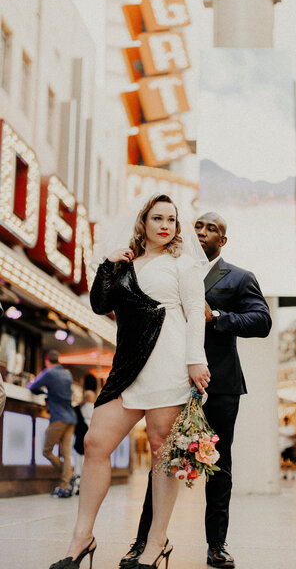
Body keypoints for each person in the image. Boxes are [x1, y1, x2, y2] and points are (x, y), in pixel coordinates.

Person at [48, 194, 210, 569]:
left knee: (161, 451)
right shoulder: (124, 261)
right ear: (144, 221)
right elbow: (99, 302)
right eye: (157, 218)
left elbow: (194, 316)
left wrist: (195, 360)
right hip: (126, 367)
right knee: (94, 443)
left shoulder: (183, 264)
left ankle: (157, 543)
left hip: (168, 362)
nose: (165, 225)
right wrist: (107, 264)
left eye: (171, 218)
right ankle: (81, 538)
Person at [122, 212, 272, 569]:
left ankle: (217, 545)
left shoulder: (239, 277)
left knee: (219, 466)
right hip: (171, 380)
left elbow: (262, 320)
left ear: (223, 240)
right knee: (161, 460)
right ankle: (145, 541)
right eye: (198, 226)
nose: (202, 232)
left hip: (220, 385)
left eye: (212, 229)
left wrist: (218, 317)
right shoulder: (170, 268)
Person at [27, 349, 77, 497]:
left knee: (47, 450)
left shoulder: (49, 373)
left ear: (47, 360)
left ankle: (68, 476)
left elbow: (32, 386)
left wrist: (44, 393)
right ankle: (66, 483)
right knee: (66, 453)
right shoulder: (68, 374)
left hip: (59, 417)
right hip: (71, 417)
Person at [73, 373, 98, 494]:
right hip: (89, 426)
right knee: (85, 456)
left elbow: (77, 405)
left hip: (84, 428)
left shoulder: (88, 394)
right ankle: (83, 484)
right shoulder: (94, 394)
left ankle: (79, 483)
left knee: (81, 456)